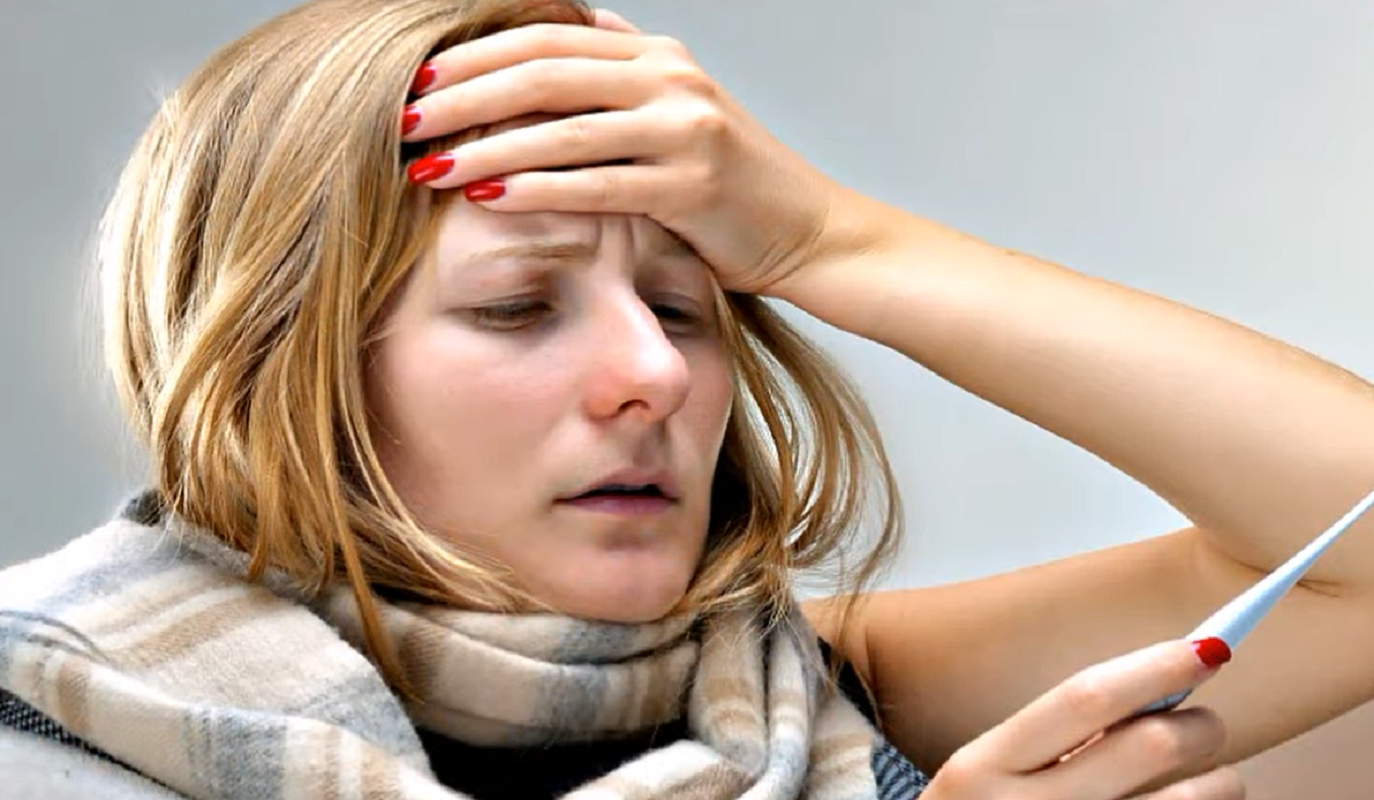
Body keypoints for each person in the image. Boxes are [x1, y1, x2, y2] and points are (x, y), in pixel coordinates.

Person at [1, 0, 1372, 797]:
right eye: (517, 306)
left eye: (681, 307)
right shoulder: (62, 725)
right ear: (272, 374)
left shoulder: (806, 691)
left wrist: (832, 240)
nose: (656, 375)